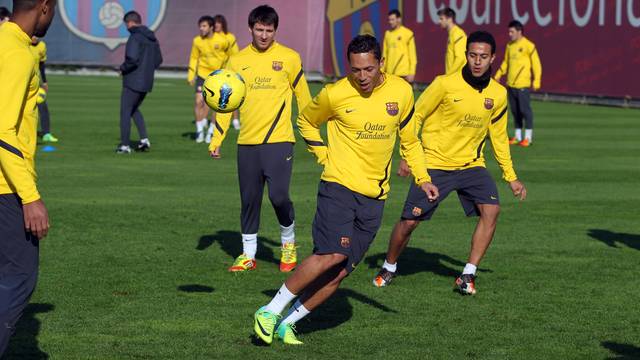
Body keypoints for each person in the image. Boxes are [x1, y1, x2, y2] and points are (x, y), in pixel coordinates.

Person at [252, 35, 439, 345]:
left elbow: (410, 140)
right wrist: (324, 155)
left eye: (368, 69)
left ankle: (288, 323)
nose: (362, 77)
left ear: (382, 64)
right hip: (338, 186)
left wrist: (423, 177)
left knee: (340, 272)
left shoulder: (402, 92)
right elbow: (306, 121)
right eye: (355, 70)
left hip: (375, 198)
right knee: (332, 253)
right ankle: (269, 311)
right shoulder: (334, 94)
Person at [373, 31, 528, 296]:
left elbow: (499, 137)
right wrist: (408, 156)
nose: (477, 61)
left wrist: (510, 177)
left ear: (492, 58)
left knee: (491, 211)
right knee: (410, 222)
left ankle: (468, 274)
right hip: (434, 164)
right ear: (466, 55)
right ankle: (389, 265)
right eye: (472, 55)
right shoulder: (444, 84)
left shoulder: (498, 94)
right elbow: (416, 116)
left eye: (483, 56)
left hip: (471, 166)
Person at [209, 5, 311, 273]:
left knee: (279, 197)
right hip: (247, 143)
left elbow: (304, 97)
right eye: (259, 29)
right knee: (249, 199)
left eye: (269, 30)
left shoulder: (290, 58)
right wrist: (217, 138)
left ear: (275, 30)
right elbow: (224, 103)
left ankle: (288, 245)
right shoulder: (237, 61)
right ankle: (248, 254)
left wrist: (312, 130)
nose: (264, 35)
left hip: (280, 140)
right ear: (251, 29)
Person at [0, 0, 56, 355]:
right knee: (20, 277)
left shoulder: (5, 40)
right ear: (44, 7)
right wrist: (30, 197)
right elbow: (3, 130)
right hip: (6, 187)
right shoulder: (18, 52)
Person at [116, 10, 163, 154]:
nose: (126, 27)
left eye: (126, 24)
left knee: (125, 111)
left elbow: (132, 59)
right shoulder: (152, 38)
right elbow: (158, 60)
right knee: (134, 110)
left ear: (130, 22)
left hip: (133, 81)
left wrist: (122, 69)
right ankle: (144, 140)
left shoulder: (135, 37)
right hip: (146, 82)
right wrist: (147, 70)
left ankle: (124, 146)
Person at [187, 14, 238, 143]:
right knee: (199, 102)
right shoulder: (197, 41)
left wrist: (230, 71)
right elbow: (194, 58)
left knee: (216, 106)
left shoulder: (222, 40)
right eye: (200, 26)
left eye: (204, 26)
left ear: (211, 27)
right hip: (202, 75)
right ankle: (199, 132)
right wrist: (191, 75)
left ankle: (210, 131)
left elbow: (233, 55)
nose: (201, 29)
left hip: (218, 77)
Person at [494, 20, 542, 147]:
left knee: (525, 111)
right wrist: (499, 74)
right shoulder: (510, 45)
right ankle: (518, 136)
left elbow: (536, 64)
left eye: (512, 32)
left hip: (523, 85)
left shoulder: (529, 45)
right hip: (511, 84)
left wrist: (536, 81)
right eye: (509, 32)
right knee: (515, 111)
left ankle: (528, 138)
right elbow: (506, 62)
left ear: (519, 32)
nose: (509, 34)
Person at [30, 35, 58, 142]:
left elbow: (41, 65)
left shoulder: (42, 46)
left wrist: (45, 81)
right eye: (33, 35)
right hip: (23, 82)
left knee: (43, 107)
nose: (35, 37)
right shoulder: (24, 44)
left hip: (36, 82)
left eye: (37, 35)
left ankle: (46, 133)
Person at [382, 9, 416, 83]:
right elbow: (384, 54)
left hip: (403, 73)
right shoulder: (387, 34)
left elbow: (412, 55)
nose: (390, 22)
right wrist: (382, 70)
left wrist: (412, 72)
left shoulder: (408, 33)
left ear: (399, 19)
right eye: (389, 20)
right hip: (390, 73)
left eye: (392, 19)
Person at [438, 7, 466, 75]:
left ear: (450, 19)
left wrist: (448, 75)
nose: (439, 21)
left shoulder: (457, 33)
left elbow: (460, 58)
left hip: (456, 77)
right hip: (452, 76)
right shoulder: (452, 33)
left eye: (441, 19)